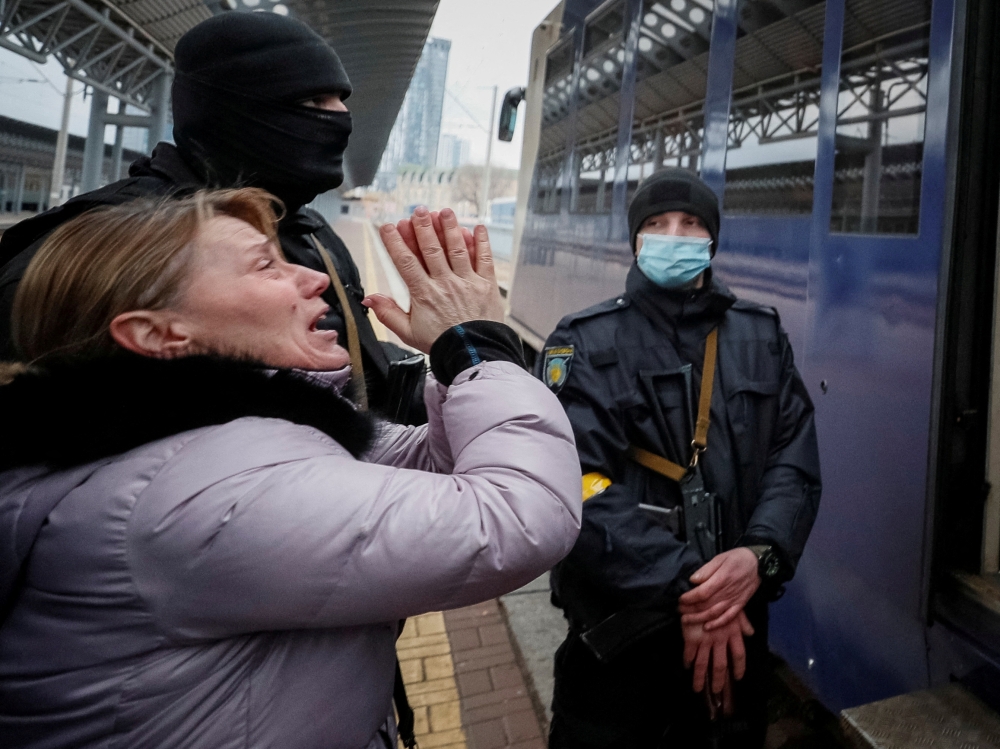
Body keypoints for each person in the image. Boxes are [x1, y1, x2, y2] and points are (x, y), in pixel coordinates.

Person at [0, 191, 581, 748]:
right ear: (159, 334)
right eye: (264, 268)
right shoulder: (196, 492)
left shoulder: (196, 437)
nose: (314, 277)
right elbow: (518, 515)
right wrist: (480, 352)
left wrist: (459, 367)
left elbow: (429, 468)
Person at [0, 12, 426, 421]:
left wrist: (449, 355)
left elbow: (360, 374)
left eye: (340, 100)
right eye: (313, 100)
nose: (341, 117)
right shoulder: (102, 242)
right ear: (231, 111)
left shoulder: (312, 231)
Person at [539, 168, 821, 748]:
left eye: (691, 224)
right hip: (622, 650)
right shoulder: (584, 341)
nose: (675, 233)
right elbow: (575, 481)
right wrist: (697, 589)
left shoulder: (761, 334)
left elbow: (792, 461)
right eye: (657, 224)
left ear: (711, 241)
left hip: (737, 638)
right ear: (636, 241)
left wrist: (759, 556)